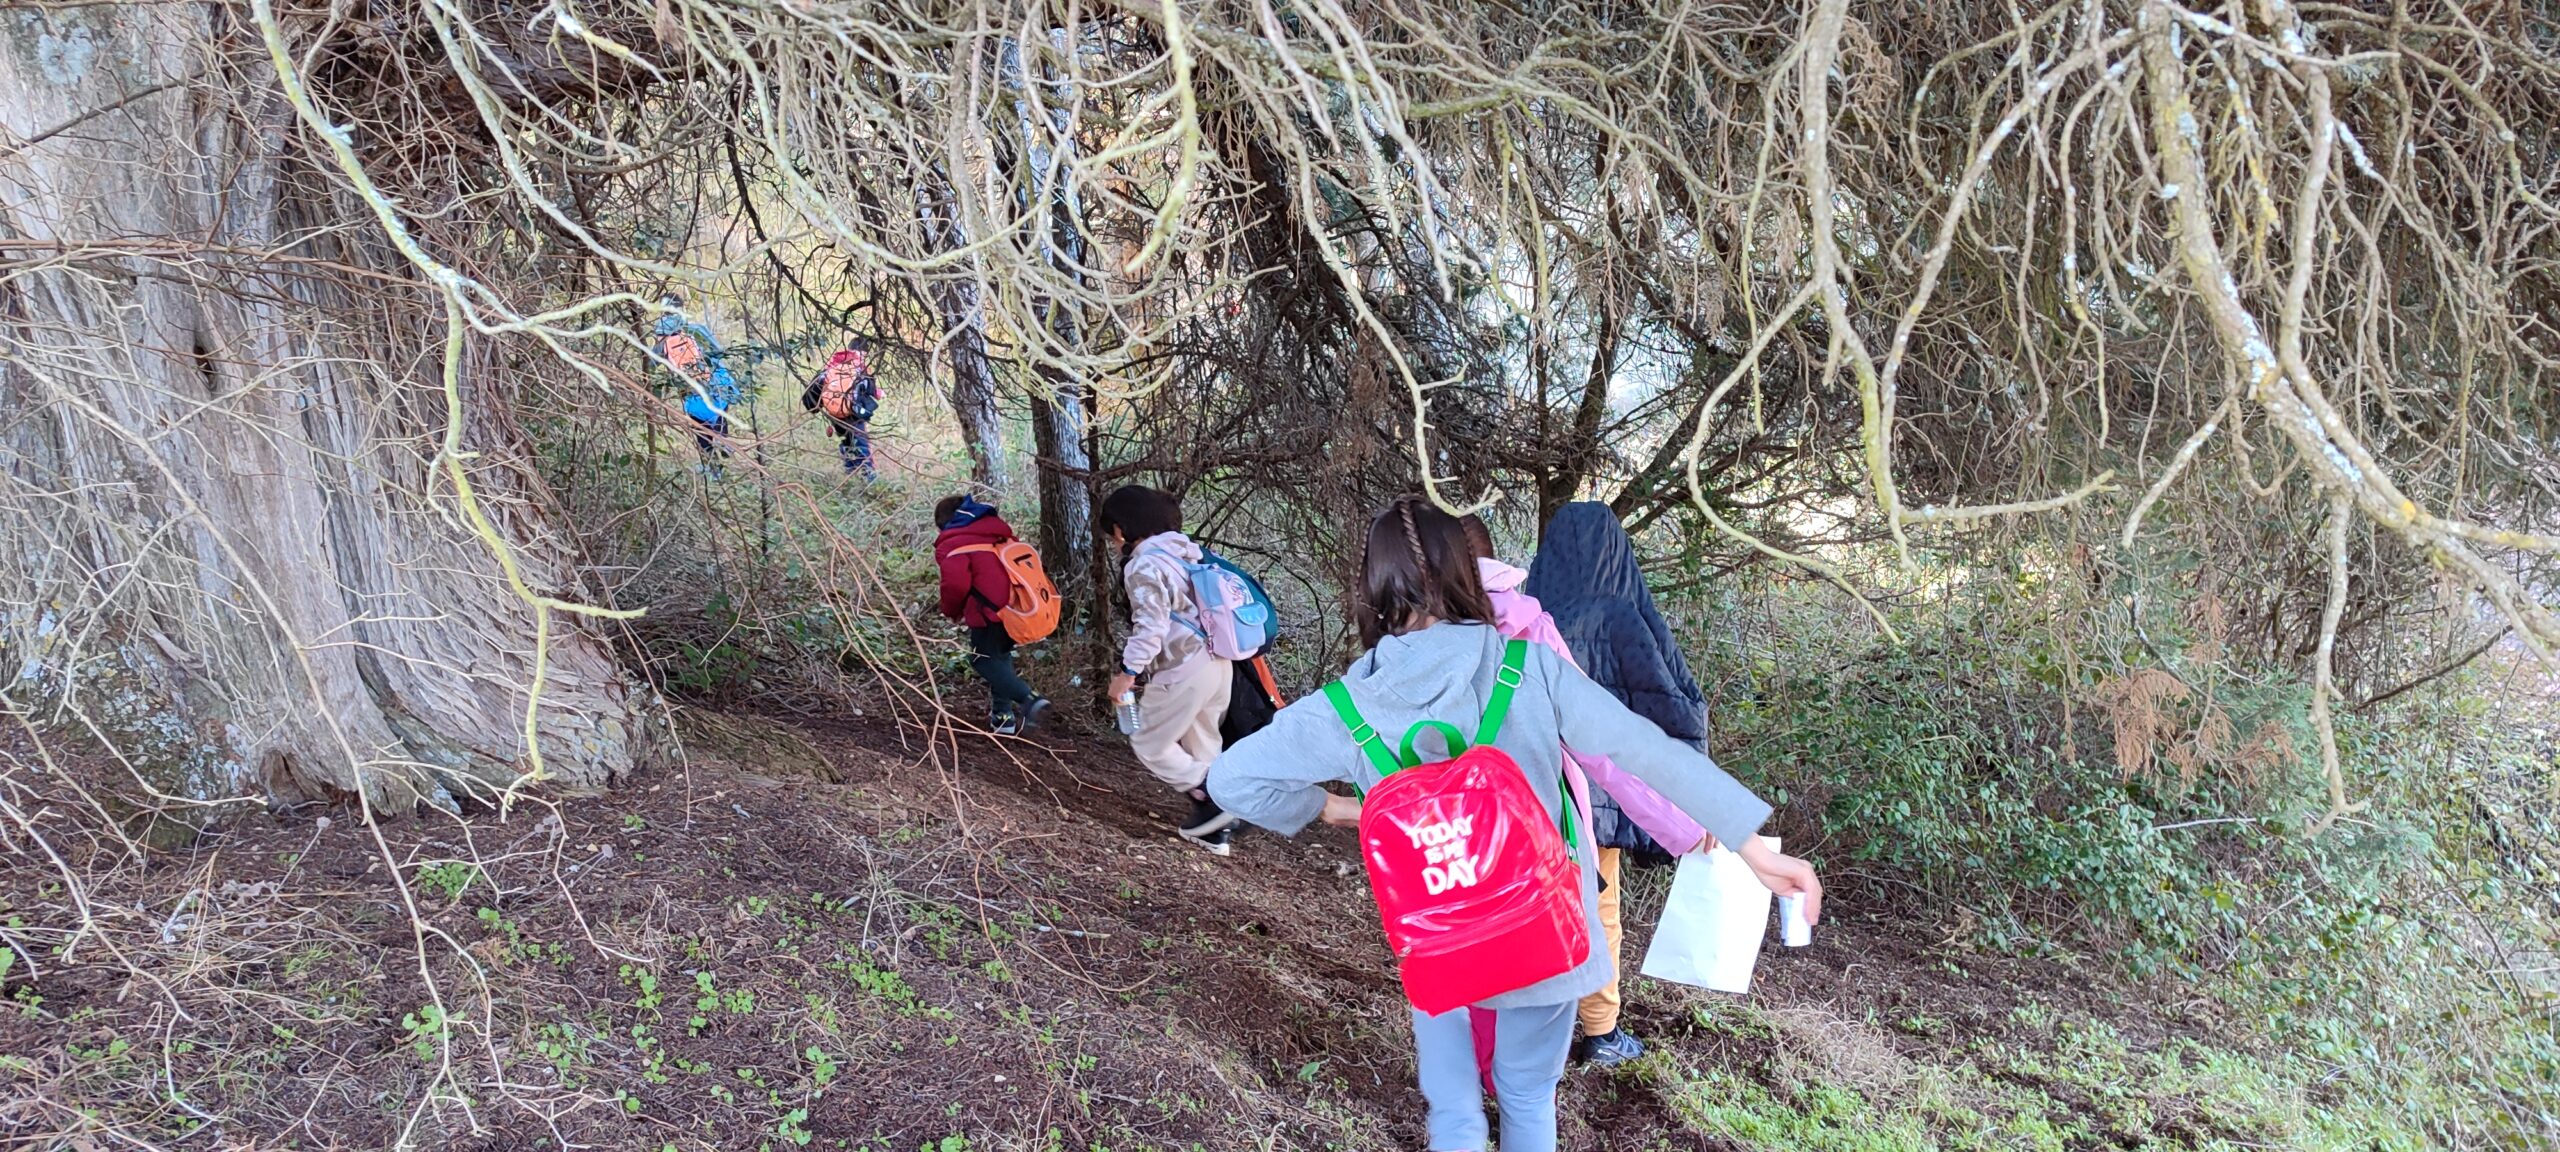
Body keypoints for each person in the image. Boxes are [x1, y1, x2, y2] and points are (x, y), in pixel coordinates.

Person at [1206, 496, 1820, 1152]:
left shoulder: (1344, 706)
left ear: (1374, 585)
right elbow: (1642, 751)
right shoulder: (1529, 669)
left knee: (1454, 1109)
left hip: (1438, 931)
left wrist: (1334, 809)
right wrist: (1749, 845)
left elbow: (1231, 780)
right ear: (1471, 571)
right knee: (1527, 1094)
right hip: (1545, 930)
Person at [1463, 513, 1709, 1069]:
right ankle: (1600, 1029)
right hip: (1605, 788)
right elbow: (1670, 700)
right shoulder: (1625, 616)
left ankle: (1512, 1033)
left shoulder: (1528, 613)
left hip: (1535, 791)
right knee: (1601, 908)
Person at [1100, 485, 1238, 855]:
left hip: (1184, 667)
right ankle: (1215, 834)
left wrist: (1127, 674)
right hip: (1219, 665)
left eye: (1112, 536)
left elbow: (1152, 627)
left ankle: (1214, 797)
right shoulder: (1189, 556)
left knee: (1150, 741)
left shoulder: (1144, 564)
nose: (1114, 545)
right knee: (1203, 742)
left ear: (1121, 530)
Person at [933, 495, 1051, 735]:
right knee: (999, 659)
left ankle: (1029, 699)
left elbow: (955, 585)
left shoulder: (955, 545)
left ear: (945, 523)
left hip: (988, 614)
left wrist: (951, 611)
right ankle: (1003, 719)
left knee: (982, 660)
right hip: (1015, 611)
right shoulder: (998, 537)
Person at [650, 295, 740, 469]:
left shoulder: (661, 343)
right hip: (717, 389)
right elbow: (719, 352)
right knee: (720, 421)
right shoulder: (697, 330)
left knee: (703, 439)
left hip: (692, 397)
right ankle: (723, 442)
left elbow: (648, 367)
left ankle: (711, 471)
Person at [801, 337, 880, 478]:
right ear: (865, 352)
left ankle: (850, 471)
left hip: (834, 411)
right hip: (853, 413)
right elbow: (870, 389)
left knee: (846, 440)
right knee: (861, 443)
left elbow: (817, 385)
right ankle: (869, 478)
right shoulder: (859, 366)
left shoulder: (834, 363)